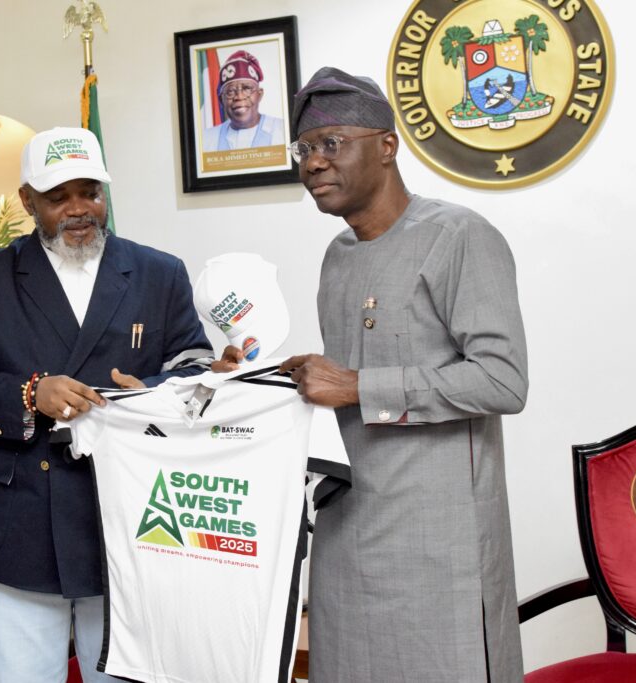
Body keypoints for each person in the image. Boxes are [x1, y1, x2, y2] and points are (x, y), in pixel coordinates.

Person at [216, 67, 529, 682]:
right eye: (304, 148)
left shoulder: (459, 236)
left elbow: (502, 380)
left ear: (387, 146)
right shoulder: (339, 256)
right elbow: (348, 380)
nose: (312, 163)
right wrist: (267, 379)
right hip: (346, 531)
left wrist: (359, 386)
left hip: (438, 548)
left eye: (332, 143)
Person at [0, 126, 213, 683]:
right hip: (19, 522)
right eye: (59, 197)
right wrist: (29, 394)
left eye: (91, 192)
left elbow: (193, 369)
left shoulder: (160, 273)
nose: (79, 209)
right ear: (27, 202)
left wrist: (161, 390)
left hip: (127, 517)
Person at [202, 49, 285, 152]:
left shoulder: (283, 131)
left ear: (259, 94)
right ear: (221, 100)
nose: (239, 96)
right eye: (230, 91)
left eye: (247, 89)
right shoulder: (205, 140)